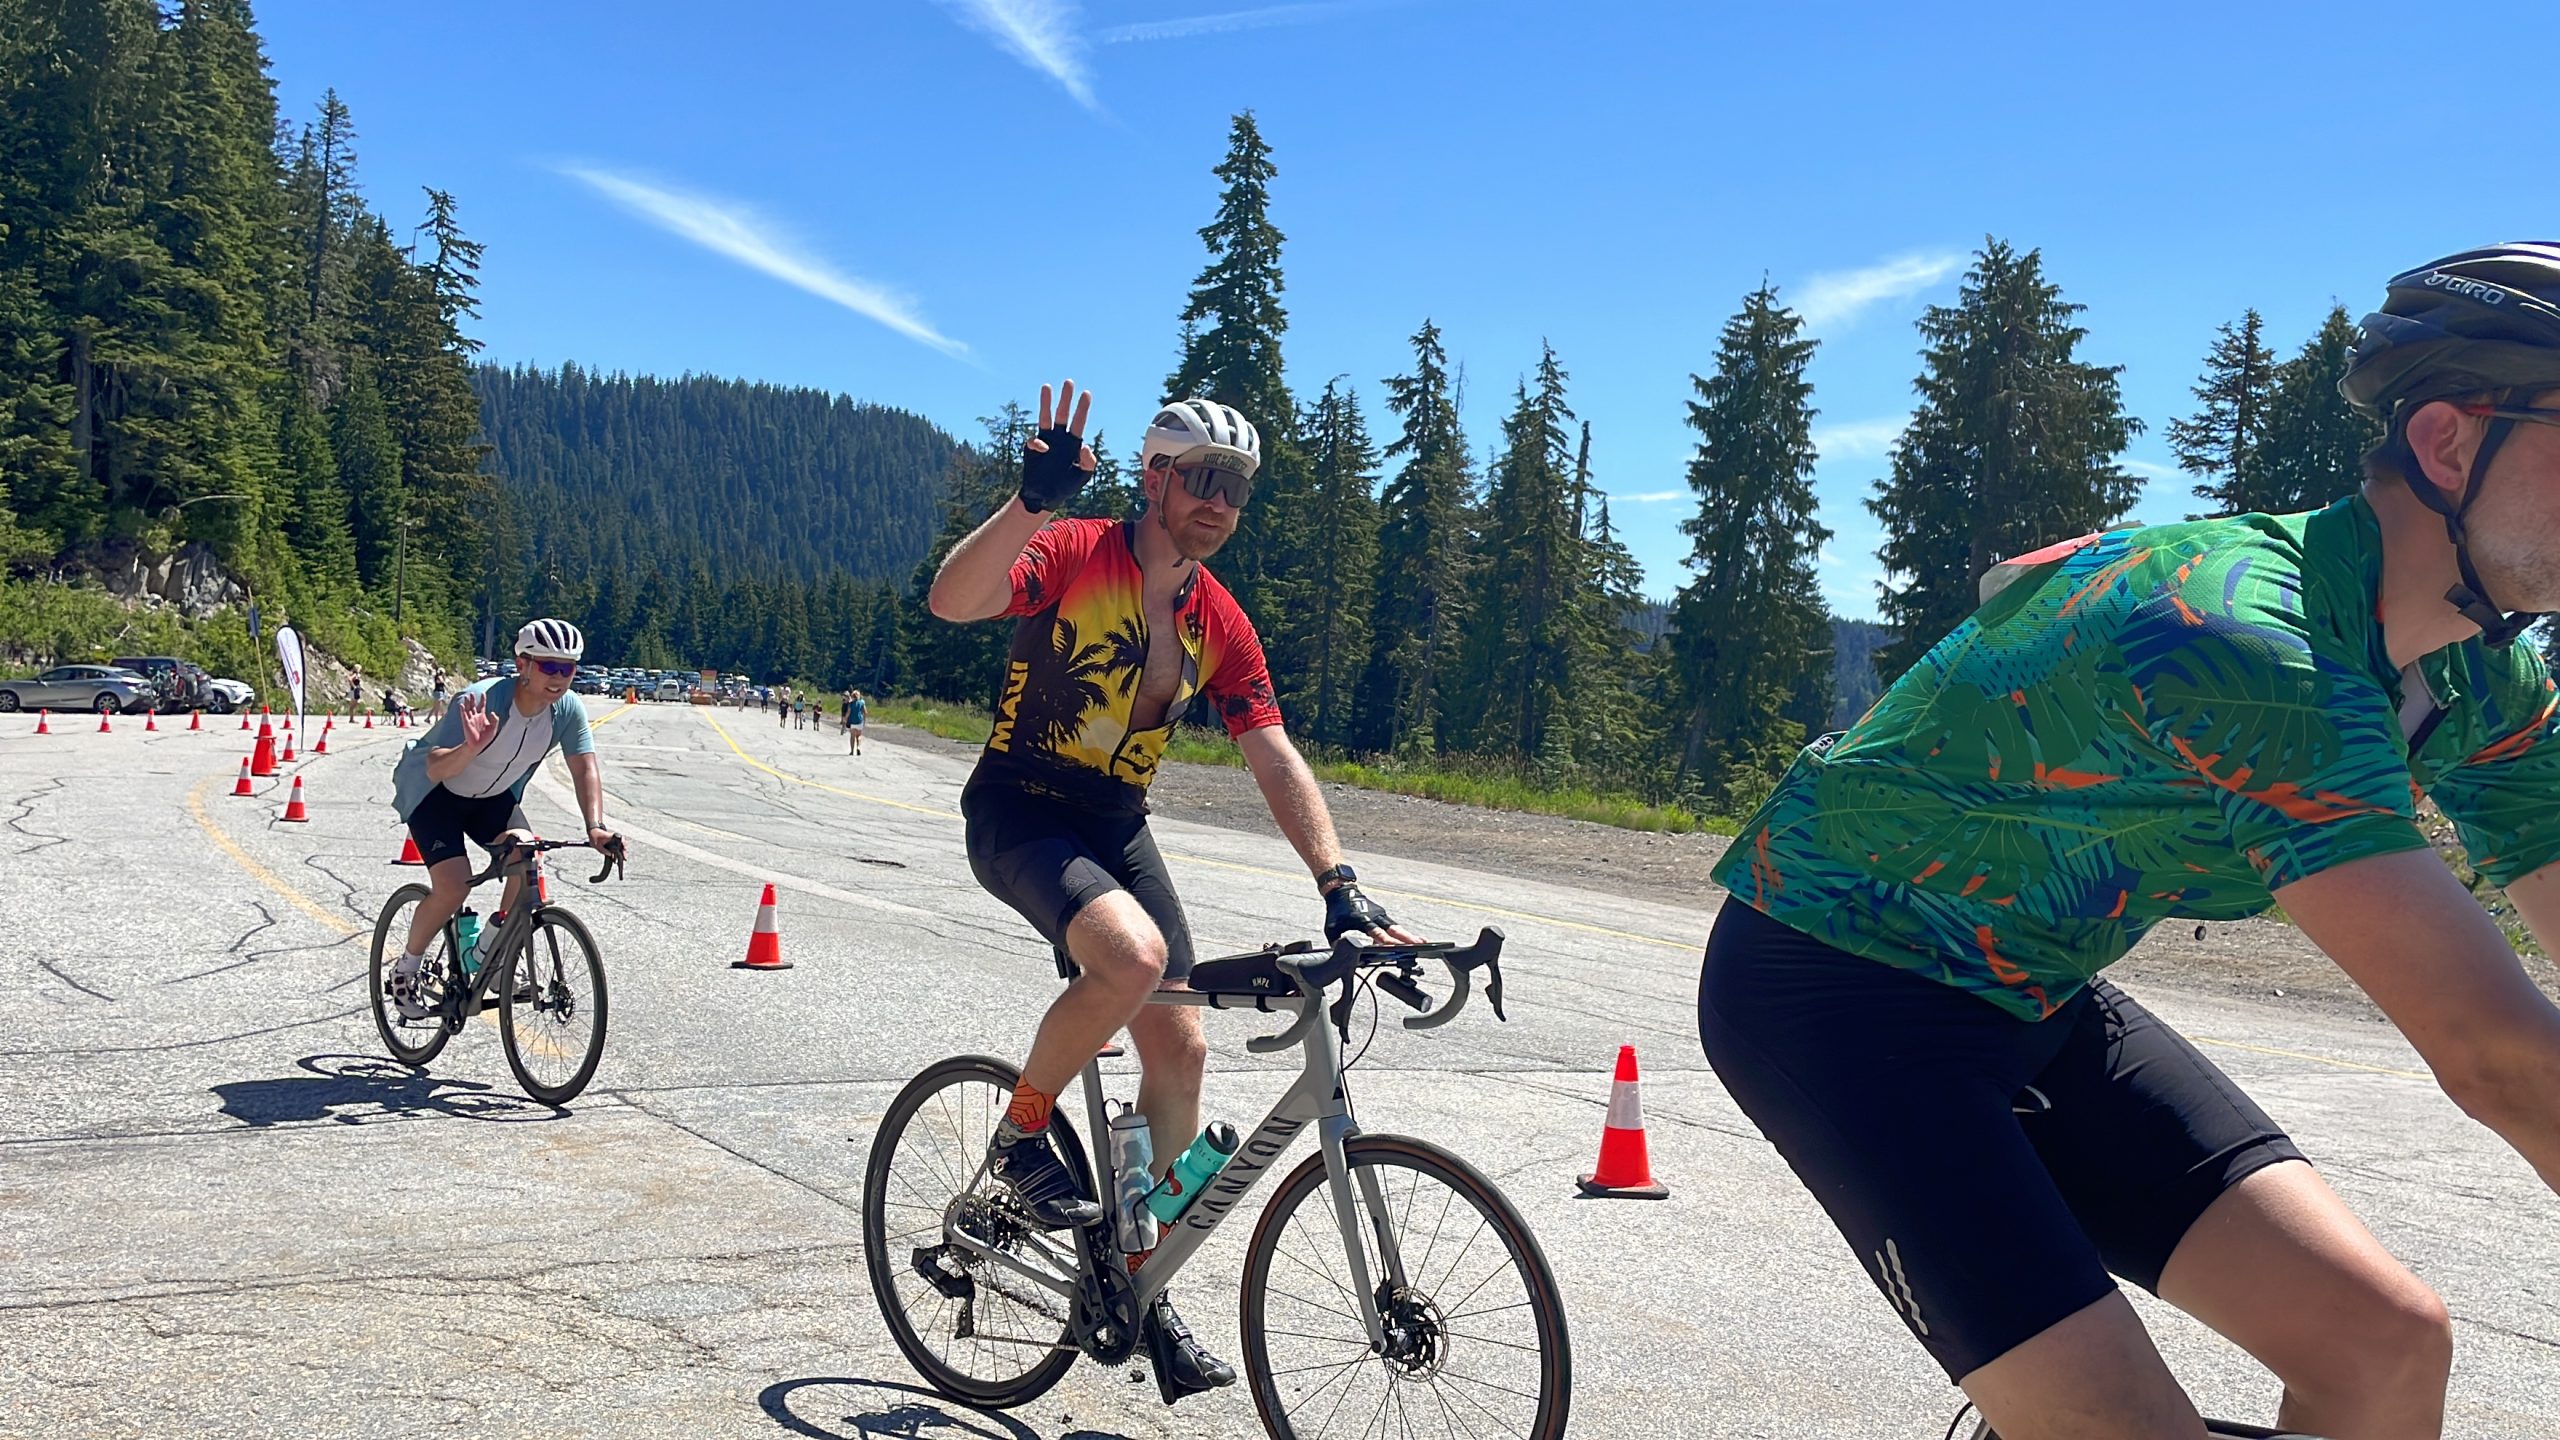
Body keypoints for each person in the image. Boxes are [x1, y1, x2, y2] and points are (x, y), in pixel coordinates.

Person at [1697, 243, 2560, 1440]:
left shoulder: (2477, 673)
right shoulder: (2252, 648)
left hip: (2033, 994)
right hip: (1837, 1000)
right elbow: (2496, 1055)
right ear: (2451, 444)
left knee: (2384, 1347)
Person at [927, 380, 1420, 1407]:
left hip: (1115, 821)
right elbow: (953, 601)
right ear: (1154, 478)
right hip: (1021, 807)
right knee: (1135, 960)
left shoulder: (1217, 619)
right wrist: (1031, 505)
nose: (1219, 504)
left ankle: (1137, 1274)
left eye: (1236, 490)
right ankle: (1021, 1136)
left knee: (1182, 1039)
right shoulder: (1077, 554)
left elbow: (1271, 751)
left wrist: (1339, 881)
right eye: (1201, 480)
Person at [385, 619, 623, 1019]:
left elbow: (585, 767)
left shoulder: (566, 710)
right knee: (454, 884)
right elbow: (433, 766)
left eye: (568, 668)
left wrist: (595, 827)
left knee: (527, 856)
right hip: (435, 796)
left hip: (491, 800)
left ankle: (489, 955)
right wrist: (471, 748)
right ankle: (405, 969)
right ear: (523, 664)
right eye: (549, 666)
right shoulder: (479, 701)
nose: (559, 678)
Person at [845, 688, 865, 756]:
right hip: (860, 721)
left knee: (852, 736)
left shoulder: (851, 704)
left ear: (852, 696)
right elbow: (865, 712)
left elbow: (848, 712)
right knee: (859, 736)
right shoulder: (862, 702)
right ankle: (858, 747)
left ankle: (852, 751)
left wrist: (845, 719)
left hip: (853, 722)